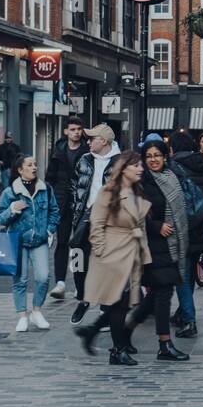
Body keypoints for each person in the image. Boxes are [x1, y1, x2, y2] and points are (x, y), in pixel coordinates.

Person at [74, 151, 151, 365]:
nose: (140, 168)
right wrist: (103, 252)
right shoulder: (108, 192)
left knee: (124, 303)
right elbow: (96, 225)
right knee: (118, 303)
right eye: (136, 165)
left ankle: (94, 332)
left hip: (131, 254)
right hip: (113, 254)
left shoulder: (137, 191)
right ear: (123, 168)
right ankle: (117, 350)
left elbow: (140, 226)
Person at [132, 139, 190, 361]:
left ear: (165, 156)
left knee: (157, 294)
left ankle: (125, 332)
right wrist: (156, 226)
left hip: (172, 243)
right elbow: (134, 214)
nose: (153, 160)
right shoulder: (141, 182)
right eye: (149, 156)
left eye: (157, 155)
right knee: (164, 292)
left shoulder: (170, 177)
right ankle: (164, 344)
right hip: (153, 244)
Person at [0, 155, 60, 333]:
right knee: (20, 280)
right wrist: (12, 210)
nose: (34, 168)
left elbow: (54, 211)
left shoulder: (45, 188)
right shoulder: (10, 192)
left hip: (39, 240)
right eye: (30, 165)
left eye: (35, 164)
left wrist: (49, 230)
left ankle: (37, 311)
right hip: (17, 241)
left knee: (43, 276)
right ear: (20, 170)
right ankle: (22, 316)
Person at [67, 124, 121, 325]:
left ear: (103, 141)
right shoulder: (85, 160)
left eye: (91, 139)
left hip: (108, 221)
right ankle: (83, 297)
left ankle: (105, 311)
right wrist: (76, 207)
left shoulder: (120, 162)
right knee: (78, 260)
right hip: (84, 217)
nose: (87, 141)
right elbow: (74, 184)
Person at [167, 131, 203, 337]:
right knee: (189, 274)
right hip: (200, 228)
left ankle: (189, 320)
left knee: (182, 276)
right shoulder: (202, 166)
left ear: (173, 149)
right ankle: (182, 313)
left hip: (181, 228)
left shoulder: (173, 169)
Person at [46, 117, 89, 301]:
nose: (76, 132)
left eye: (79, 129)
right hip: (62, 202)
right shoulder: (57, 151)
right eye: (72, 129)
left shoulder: (87, 151)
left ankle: (79, 285)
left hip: (81, 203)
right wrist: (51, 200)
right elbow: (50, 178)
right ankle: (60, 283)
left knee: (79, 244)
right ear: (66, 131)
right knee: (61, 242)